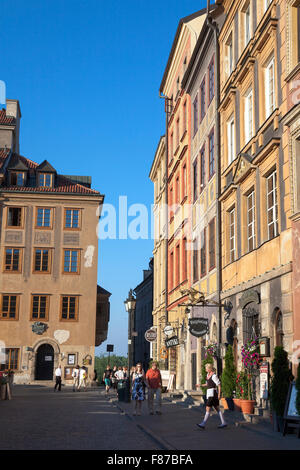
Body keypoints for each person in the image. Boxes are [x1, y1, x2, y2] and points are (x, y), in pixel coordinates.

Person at [196, 363, 227, 429]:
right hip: (209, 393)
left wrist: (219, 394)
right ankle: (223, 422)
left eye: (206, 368)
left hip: (213, 394)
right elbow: (207, 384)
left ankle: (203, 423)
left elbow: (219, 385)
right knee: (217, 408)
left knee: (208, 408)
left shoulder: (214, 376)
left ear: (210, 368)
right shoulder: (208, 375)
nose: (205, 369)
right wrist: (200, 385)